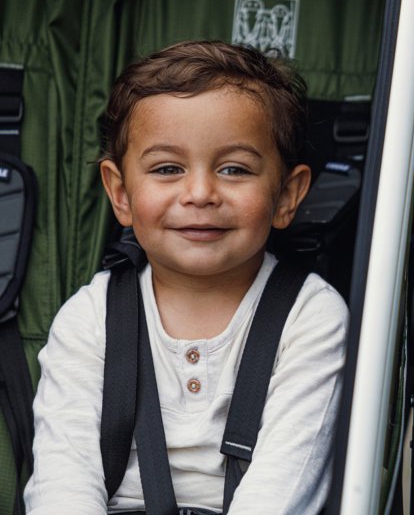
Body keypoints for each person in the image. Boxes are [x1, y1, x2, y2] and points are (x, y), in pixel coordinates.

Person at [24, 41, 348, 514]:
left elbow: (283, 489)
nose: (199, 193)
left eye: (234, 169)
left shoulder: (311, 318)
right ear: (121, 194)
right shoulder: (91, 319)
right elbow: (62, 482)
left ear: (286, 195)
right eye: (168, 169)